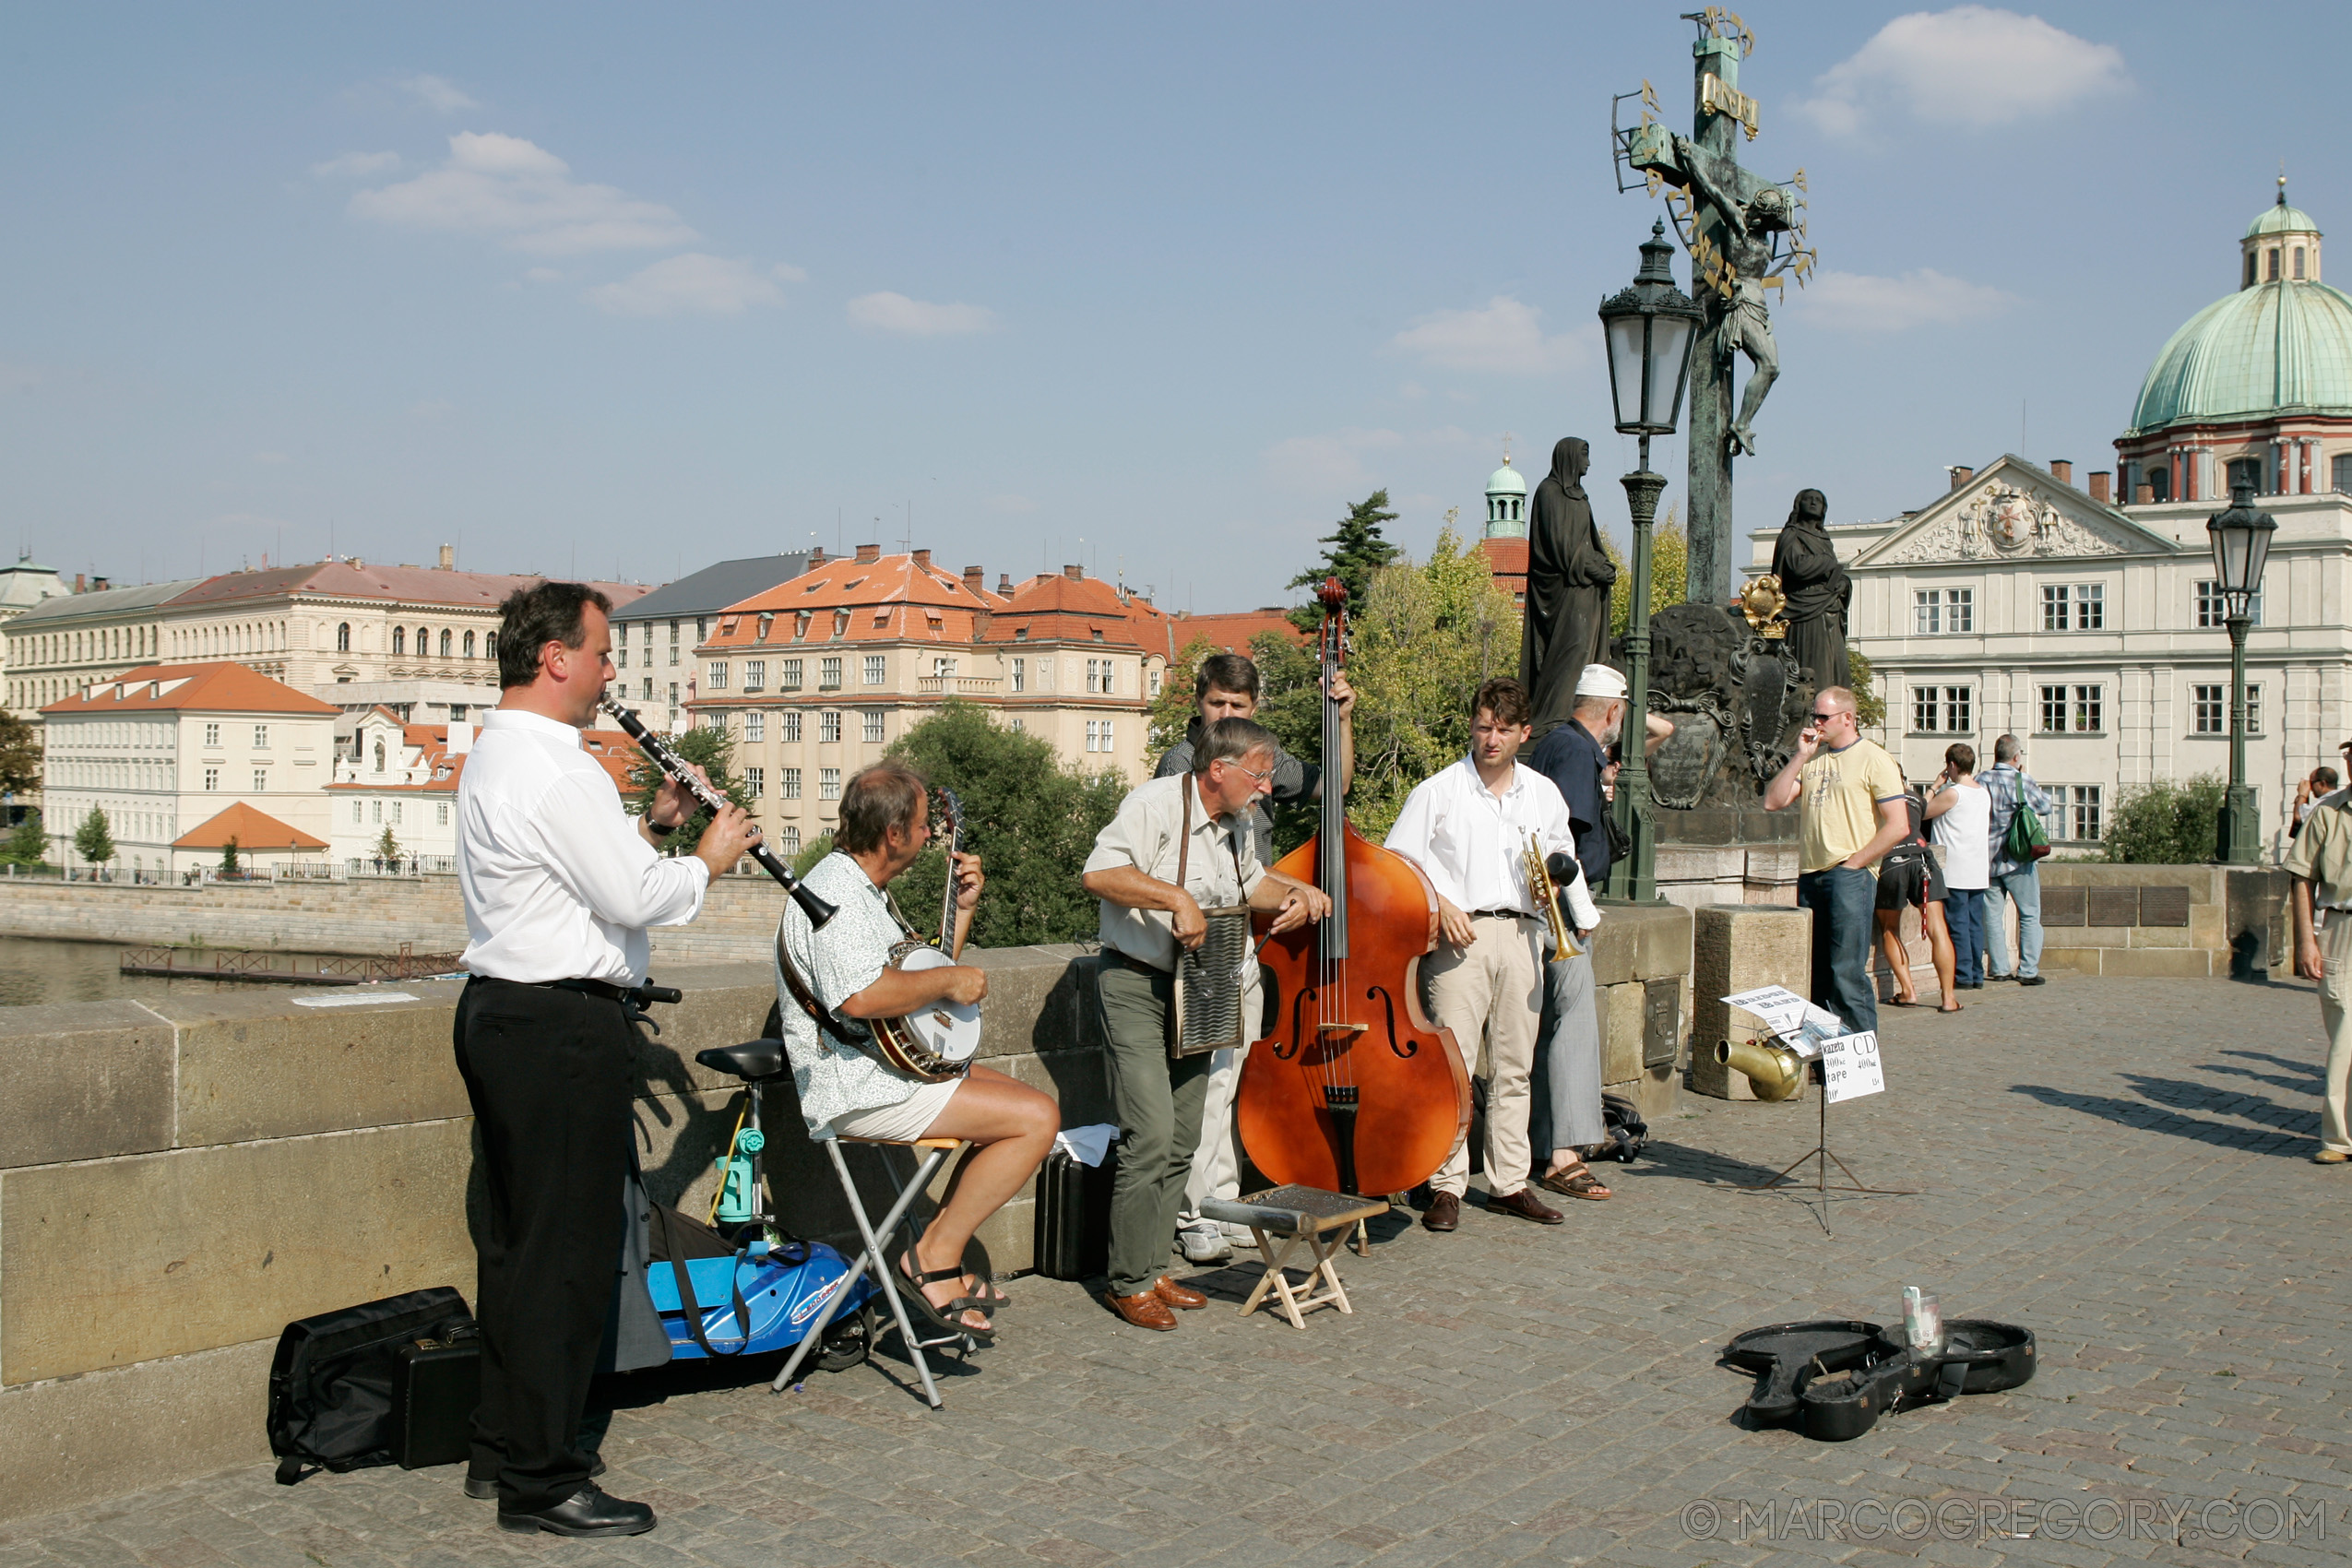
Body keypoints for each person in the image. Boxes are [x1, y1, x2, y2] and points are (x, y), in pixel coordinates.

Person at [453, 580, 761, 1538]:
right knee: (568, 1258)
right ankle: (543, 1479)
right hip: (558, 1029)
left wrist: (655, 826)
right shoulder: (556, 766)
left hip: (504, 1014)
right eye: (600, 651)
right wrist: (707, 854)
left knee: (515, 1245)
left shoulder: (500, 752)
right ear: (555, 658)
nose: (610, 670)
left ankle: (502, 1442)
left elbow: (573, 882)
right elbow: (633, 899)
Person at [773, 764, 1058, 1339]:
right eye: (924, 826)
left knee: (1025, 1103)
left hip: (883, 1069)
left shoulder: (859, 887)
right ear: (894, 834)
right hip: (854, 1086)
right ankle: (932, 1259)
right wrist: (954, 983)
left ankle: (933, 1249)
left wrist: (965, 910)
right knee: (1036, 1120)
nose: (931, 836)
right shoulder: (836, 897)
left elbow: (909, 976)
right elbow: (862, 997)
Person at [1083, 718, 1331, 1330]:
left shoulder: (1237, 822)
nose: (1268, 788)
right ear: (1218, 770)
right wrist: (1176, 899)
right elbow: (1100, 873)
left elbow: (1251, 887)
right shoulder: (1154, 803)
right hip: (1138, 983)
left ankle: (1152, 1265)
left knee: (1183, 1137)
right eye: (1259, 774)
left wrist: (1302, 893)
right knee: (1150, 1130)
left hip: (1202, 983)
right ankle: (1128, 1281)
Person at [1152, 651, 1353, 1265]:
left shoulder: (1261, 757)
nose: (1227, 714)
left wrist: (1341, 718)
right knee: (1201, 1087)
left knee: (1229, 1081)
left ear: (1253, 708)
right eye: (1217, 703)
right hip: (1199, 939)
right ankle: (1193, 1216)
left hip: (1247, 936)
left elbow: (1334, 788)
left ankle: (1222, 1200)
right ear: (1198, 702)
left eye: (1238, 706)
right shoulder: (1181, 765)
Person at [1384, 677, 1600, 1232]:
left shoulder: (1543, 792)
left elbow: (1560, 853)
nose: (1491, 739)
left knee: (1514, 1069)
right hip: (1461, 936)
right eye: (1483, 727)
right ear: (1473, 727)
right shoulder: (1437, 790)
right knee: (1454, 1069)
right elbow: (1399, 863)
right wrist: (1442, 902)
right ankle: (1446, 1185)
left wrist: (1564, 889)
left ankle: (1508, 1182)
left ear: (1523, 733)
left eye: (1504, 730)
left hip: (1525, 933)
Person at [1523, 664, 1670, 1195]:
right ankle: (1564, 1151)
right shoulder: (1573, 750)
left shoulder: (1560, 743)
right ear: (1612, 712)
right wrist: (1582, 915)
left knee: (1551, 1029)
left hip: (1552, 904)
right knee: (1572, 1026)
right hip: (1562, 907)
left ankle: (1554, 1139)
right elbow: (1564, 848)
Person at [1763, 685, 1907, 1038]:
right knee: (1818, 972)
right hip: (1812, 874)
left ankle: (1858, 1058)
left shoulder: (1874, 758)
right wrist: (1799, 756)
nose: (1817, 723)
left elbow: (1899, 825)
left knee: (1846, 971)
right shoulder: (1813, 759)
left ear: (1848, 718)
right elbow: (1773, 801)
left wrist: (1855, 863)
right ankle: (1823, 1056)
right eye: (1814, 716)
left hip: (1849, 875)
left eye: (1823, 716)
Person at [1520, 437, 1617, 738]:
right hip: (1563, 591)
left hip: (1587, 590)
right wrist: (1589, 567)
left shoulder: (1580, 496)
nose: (1588, 463)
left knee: (1586, 655)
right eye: (1584, 456)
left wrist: (1603, 564)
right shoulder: (1549, 492)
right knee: (1570, 651)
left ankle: (1579, 717)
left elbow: (1589, 539)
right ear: (1570, 458)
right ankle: (1554, 718)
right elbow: (1557, 545)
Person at [2287, 777, 2352, 1162]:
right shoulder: (2328, 811)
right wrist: (2306, 940)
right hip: (2342, 926)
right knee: (2345, 1032)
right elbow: (2301, 877)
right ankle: (2339, 1139)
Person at [1874, 790, 1961, 1014]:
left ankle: (1908, 991)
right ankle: (1949, 999)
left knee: (1889, 929)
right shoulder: (1914, 797)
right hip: (1922, 859)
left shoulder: (1873, 794)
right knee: (1939, 929)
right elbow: (1926, 807)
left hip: (1891, 860)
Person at [1980, 734, 2054, 985]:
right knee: (2030, 914)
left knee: (1992, 916)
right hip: (2018, 858)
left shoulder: (1982, 779)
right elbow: (2045, 806)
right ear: (2016, 757)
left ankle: (1999, 969)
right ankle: (2028, 970)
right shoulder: (2022, 780)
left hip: (1987, 858)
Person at [1924, 743, 1992, 991]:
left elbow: (1920, 812)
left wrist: (1934, 787)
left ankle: (1962, 973)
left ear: (1951, 765)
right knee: (1975, 923)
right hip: (1977, 868)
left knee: (1958, 924)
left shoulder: (1953, 793)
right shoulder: (1983, 793)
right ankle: (1976, 972)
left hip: (1954, 868)